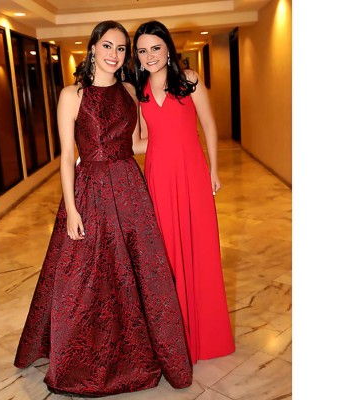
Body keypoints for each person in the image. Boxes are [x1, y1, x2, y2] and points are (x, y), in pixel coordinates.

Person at [13, 20, 192, 396]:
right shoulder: (72, 95)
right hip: (90, 190)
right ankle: (78, 357)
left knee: (139, 274)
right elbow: (67, 157)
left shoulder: (129, 90)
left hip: (129, 188)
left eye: (121, 48)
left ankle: (140, 353)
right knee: (84, 277)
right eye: (107, 45)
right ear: (93, 47)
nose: (114, 54)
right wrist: (71, 209)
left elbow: (139, 142)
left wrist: (181, 139)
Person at [132, 20, 236, 364]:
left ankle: (208, 337)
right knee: (168, 254)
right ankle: (178, 339)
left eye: (155, 48)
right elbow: (139, 142)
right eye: (142, 50)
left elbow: (209, 124)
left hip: (192, 174)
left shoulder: (189, 80)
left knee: (200, 249)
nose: (149, 56)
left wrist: (214, 169)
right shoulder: (139, 92)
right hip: (159, 178)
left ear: (168, 49)